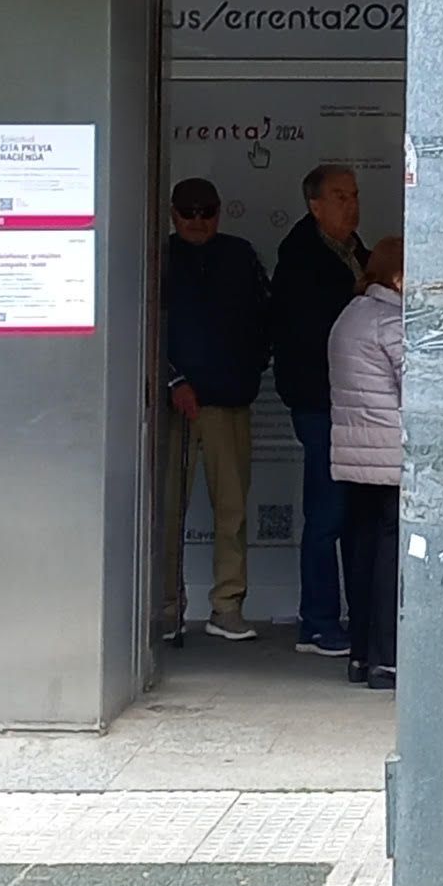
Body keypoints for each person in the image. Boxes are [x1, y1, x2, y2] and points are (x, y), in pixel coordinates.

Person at [157, 177, 270, 642]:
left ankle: (227, 606)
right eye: (189, 211)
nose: (198, 220)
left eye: (207, 211)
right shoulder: (158, 256)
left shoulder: (240, 255)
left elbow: (265, 318)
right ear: (172, 213)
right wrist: (172, 380)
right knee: (166, 512)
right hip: (172, 406)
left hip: (228, 401)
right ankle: (166, 608)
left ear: (220, 211)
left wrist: (249, 369)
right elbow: (142, 324)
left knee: (232, 512)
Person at [266, 164, 366, 660]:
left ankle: (358, 616)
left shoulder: (355, 251)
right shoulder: (301, 258)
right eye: (339, 196)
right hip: (320, 401)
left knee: (353, 514)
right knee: (327, 514)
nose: (351, 205)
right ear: (315, 205)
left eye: (354, 195)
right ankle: (319, 622)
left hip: (354, 404)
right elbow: (309, 333)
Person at [325, 236, 406, 691]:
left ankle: (360, 654)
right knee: (391, 559)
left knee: (361, 552)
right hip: (391, 456)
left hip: (354, 457)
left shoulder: (349, 315)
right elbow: (419, 387)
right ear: (399, 279)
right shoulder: (392, 323)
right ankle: (388, 659)